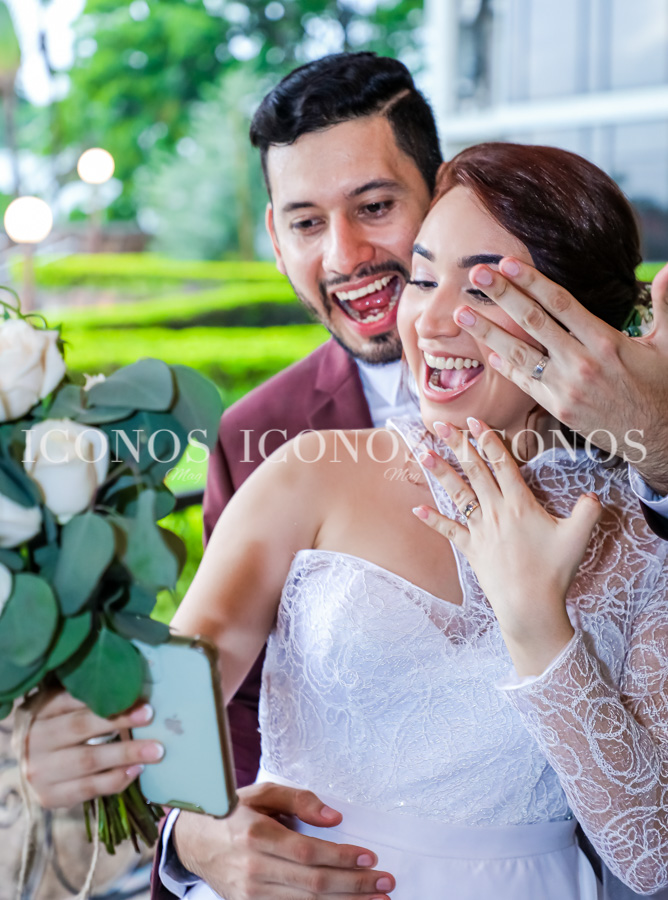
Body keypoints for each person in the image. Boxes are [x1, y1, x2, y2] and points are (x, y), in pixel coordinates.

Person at [19, 53, 668, 900]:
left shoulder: (641, 504)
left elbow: (649, 844)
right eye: (305, 222)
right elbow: (190, 703)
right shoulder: (282, 452)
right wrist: (170, 809)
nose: (351, 257)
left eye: (374, 207)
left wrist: (536, 620)